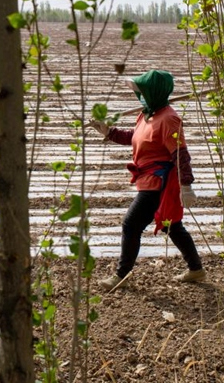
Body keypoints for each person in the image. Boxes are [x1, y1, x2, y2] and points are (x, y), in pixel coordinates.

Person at [89, 69, 205, 290]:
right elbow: (135, 138)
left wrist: (186, 185)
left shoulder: (169, 119)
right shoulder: (147, 114)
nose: (140, 96)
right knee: (171, 226)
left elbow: (180, 154)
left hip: (158, 182)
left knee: (131, 225)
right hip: (147, 178)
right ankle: (196, 269)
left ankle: (121, 275)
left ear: (154, 92)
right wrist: (107, 131)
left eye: (143, 91)